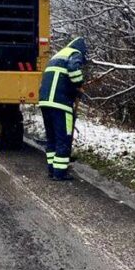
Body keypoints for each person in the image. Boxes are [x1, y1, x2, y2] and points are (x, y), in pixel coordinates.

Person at [38, 36, 88, 180]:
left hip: (45, 102)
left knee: (52, 138)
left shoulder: (58, 56)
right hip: (60, 104)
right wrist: (79, 84)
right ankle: (60, 174)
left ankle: (52, 170)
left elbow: (59, 78)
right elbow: (73, 69)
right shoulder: (74, 53)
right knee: (63, 139)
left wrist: (74, 90)